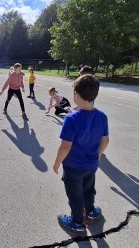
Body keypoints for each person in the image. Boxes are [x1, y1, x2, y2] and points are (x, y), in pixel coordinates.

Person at [53, 74, 109, 234]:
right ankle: (91, 211)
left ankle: (77, 222)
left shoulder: (71, 118)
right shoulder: (102, 116)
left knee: (75, 194)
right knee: (89, 188)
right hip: (92, 164)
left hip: (73, 166)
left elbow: (65, 146)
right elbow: (105, 140)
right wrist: (98, 155)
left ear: (76, 95)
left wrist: (57, 163)